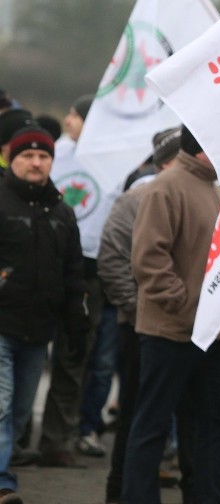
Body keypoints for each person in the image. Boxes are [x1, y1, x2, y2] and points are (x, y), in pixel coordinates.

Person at [122, 127, 220, 503]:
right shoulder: (166, 187)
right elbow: (148, 260)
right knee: (153, 424)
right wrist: (187, 307)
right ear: (205, 147)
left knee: (217, 426)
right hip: (172, 332)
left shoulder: (219, 189)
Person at [0, 126, 89, 503]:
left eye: (43, 157)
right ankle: (3, 484)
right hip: (2, 324)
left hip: (38, 332)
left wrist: (76, 323)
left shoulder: (62, 211)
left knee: (20, 414)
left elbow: (73, 273)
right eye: (27, 156)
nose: (36, 163)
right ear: (12, 160)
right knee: (1, 407)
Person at [97, 127, 182, 504]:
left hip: (180, 328)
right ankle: (120, 490)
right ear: (166, 161)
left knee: (164, 414)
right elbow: (113, 260)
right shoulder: (133, 200)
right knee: (135, 412)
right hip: (139, 328)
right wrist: (137, 310)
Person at [39, 94, 120, 466]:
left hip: (92, 268)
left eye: (74, 114)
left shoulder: (116, 160)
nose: (68, 120)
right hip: (48, 261)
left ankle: (59, 438)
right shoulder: (56, 153)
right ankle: (22, 435)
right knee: (33, 349)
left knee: (77, 357)